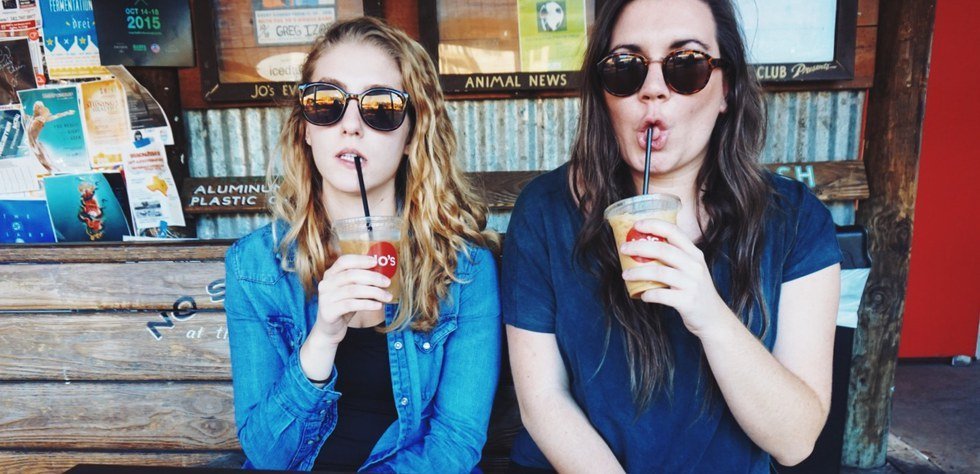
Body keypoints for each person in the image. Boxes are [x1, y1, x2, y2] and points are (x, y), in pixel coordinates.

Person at [502, 0, 842, 472]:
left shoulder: (796, 220)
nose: (653, 89)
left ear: (726, 89)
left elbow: (795, 439)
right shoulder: (544, 211)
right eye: (626, 68)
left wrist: (710, 315)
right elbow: (543, 400)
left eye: (687, 66)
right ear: (603, 93)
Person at [224, 17, 501, 472]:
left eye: (381, 107)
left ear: (412, 134)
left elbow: (456, 443)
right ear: (306, 127)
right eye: (327, 102)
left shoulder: (463, 268)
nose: (351, 125)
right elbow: (267, 455)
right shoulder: (255, 266)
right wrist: (323, 339)